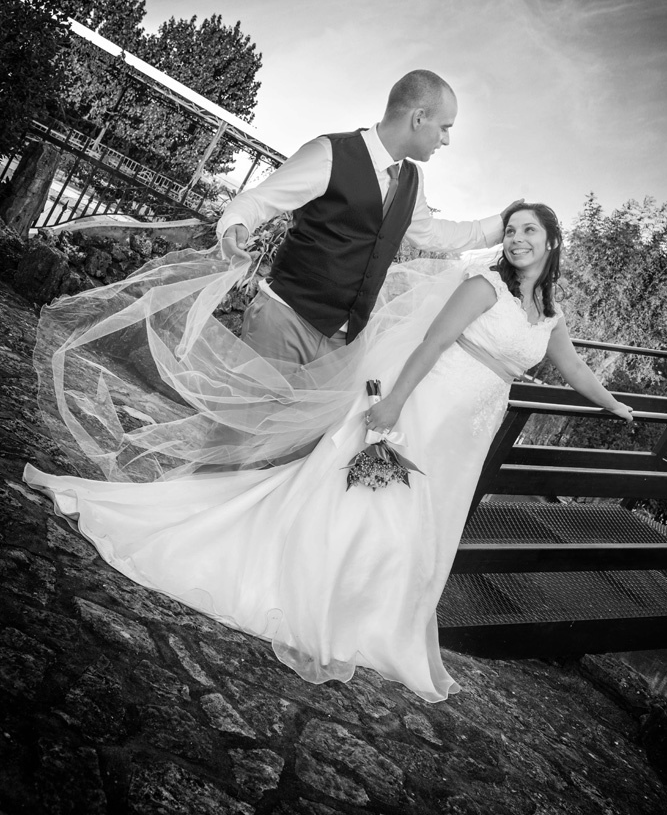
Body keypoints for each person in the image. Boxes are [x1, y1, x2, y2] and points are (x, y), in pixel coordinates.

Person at [24, 202, 632, 703]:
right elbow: (431, 343)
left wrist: (618, 407)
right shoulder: (484, 288)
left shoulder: (548, 316)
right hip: (426, 401)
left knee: (425, 515)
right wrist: (393, 405)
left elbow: (574, 368)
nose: (518, 239)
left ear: (552, 242)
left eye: (530, 231)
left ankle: (373, 611)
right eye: (512, 229)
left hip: (469, 429)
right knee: (374, 500)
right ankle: (325, 600)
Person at [218, 69, 522, 364]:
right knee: (249, 402)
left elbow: (431, 233)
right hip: (284, 320)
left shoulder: (412, 179)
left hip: (342, 344)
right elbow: (259, 199)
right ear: (418, 118)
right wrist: (236, 225)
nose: (446, 139)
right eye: (445, 127)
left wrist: (502, 224)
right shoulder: (329, 152)